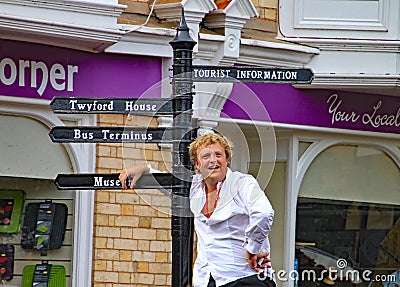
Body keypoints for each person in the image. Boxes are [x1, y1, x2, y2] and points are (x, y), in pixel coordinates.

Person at [119, 132, 276, 287]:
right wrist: (145, 169)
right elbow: (170, 186)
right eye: (206, 156)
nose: (213, 160)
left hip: (246, 277)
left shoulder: (244, 183)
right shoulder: (194, 187)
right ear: (197, 164)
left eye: (218, 154)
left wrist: (253, 248)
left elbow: (264, 213)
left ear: (227, 159)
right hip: (207, 278)